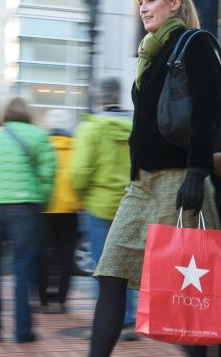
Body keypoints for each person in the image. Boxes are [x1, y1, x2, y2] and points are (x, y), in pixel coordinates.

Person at [48, 0, 221, 357]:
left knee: (212, 287)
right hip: (141, 185)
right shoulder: (152, 51)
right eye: (137, 2)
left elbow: (206, 109)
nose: (141, 6)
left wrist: (197, 170)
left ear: (173, 3)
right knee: (110, 274)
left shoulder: (195, 43)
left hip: (179, 180)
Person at [0, 96, 55, 343]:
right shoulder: (39, 136)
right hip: (24, 208)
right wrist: (39, 202)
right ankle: (22, 331)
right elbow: (48, 176)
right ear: (28, 113)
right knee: (22, 268)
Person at [70, 77, 138, 340]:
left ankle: (104, 324)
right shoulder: (134, 124)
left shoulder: (91, 128)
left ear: (98, 98)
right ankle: (129, 321)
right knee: (126, 267)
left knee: (102, 268)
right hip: (130, 204)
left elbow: (79, 171)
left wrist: (82, 195)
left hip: (99, 206)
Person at [36, 109, 81, 312]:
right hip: (70, 209)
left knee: (44, 256)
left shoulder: (42, 146)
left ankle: (43, 299)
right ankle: (62, 300)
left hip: (45, 207)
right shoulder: (76, 147)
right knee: (65, 256)